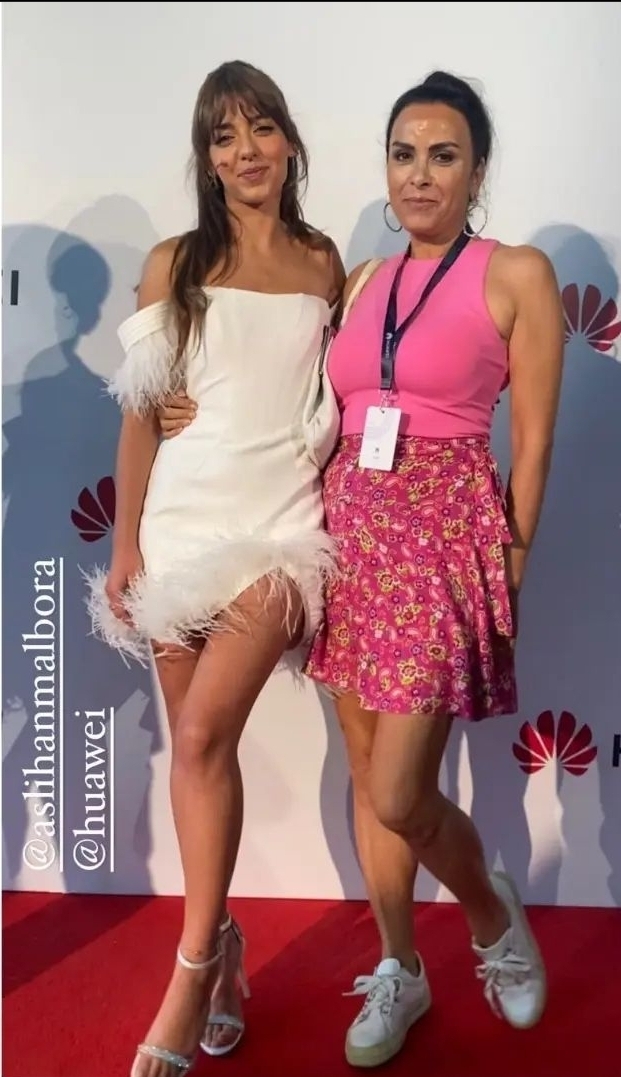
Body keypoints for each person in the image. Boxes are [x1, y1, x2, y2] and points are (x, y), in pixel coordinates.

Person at [159, 69, 564, 1068]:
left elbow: (533, 442)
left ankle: (490, 919)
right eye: (402, 154)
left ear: (476, 171)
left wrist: (510, 562)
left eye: (443, 155)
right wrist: (183, 404)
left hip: (443, 539)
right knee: (361, 761)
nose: (419, 174)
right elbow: (287, 388)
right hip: (348, 532)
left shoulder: (516, 273)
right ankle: (400, 967)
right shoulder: (361, 281)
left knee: (397, 791)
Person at [84, 60, 344, 1077]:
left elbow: (337, 393)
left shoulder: (324, 264)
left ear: (289, 141)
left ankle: (190, 971)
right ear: (205, 158)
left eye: (261, 128)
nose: (246, 151)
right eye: (224, 136)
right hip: (181, 528)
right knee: (201, 757)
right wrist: (127, 545)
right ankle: (226, 944)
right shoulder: (173, 264)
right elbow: (143, 416)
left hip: (280, 531)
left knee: (197, 737)